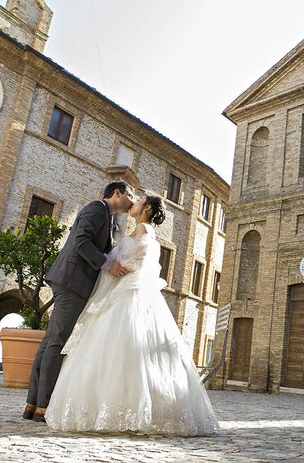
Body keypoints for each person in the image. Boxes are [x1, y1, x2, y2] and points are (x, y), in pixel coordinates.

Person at [45, 193, 218, 436]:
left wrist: (112, 261)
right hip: (126, 293)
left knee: (121, 351)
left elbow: (138, 264)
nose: (133, 202)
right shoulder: (141, 231)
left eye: (138, 200)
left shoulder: (144, 232)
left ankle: (120, 411)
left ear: (146, 208)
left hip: (129, 296)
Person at [24, 181, 135, 423]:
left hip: (71, 281)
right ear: (117, 193)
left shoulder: (107, 216)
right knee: (57, 341)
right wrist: (108, 264)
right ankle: (43, 406)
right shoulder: (96, 208)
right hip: (72, 281)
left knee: (50, 341)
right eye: (130, 195)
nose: (132, 200)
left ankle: (34, 405)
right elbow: (81, 241)